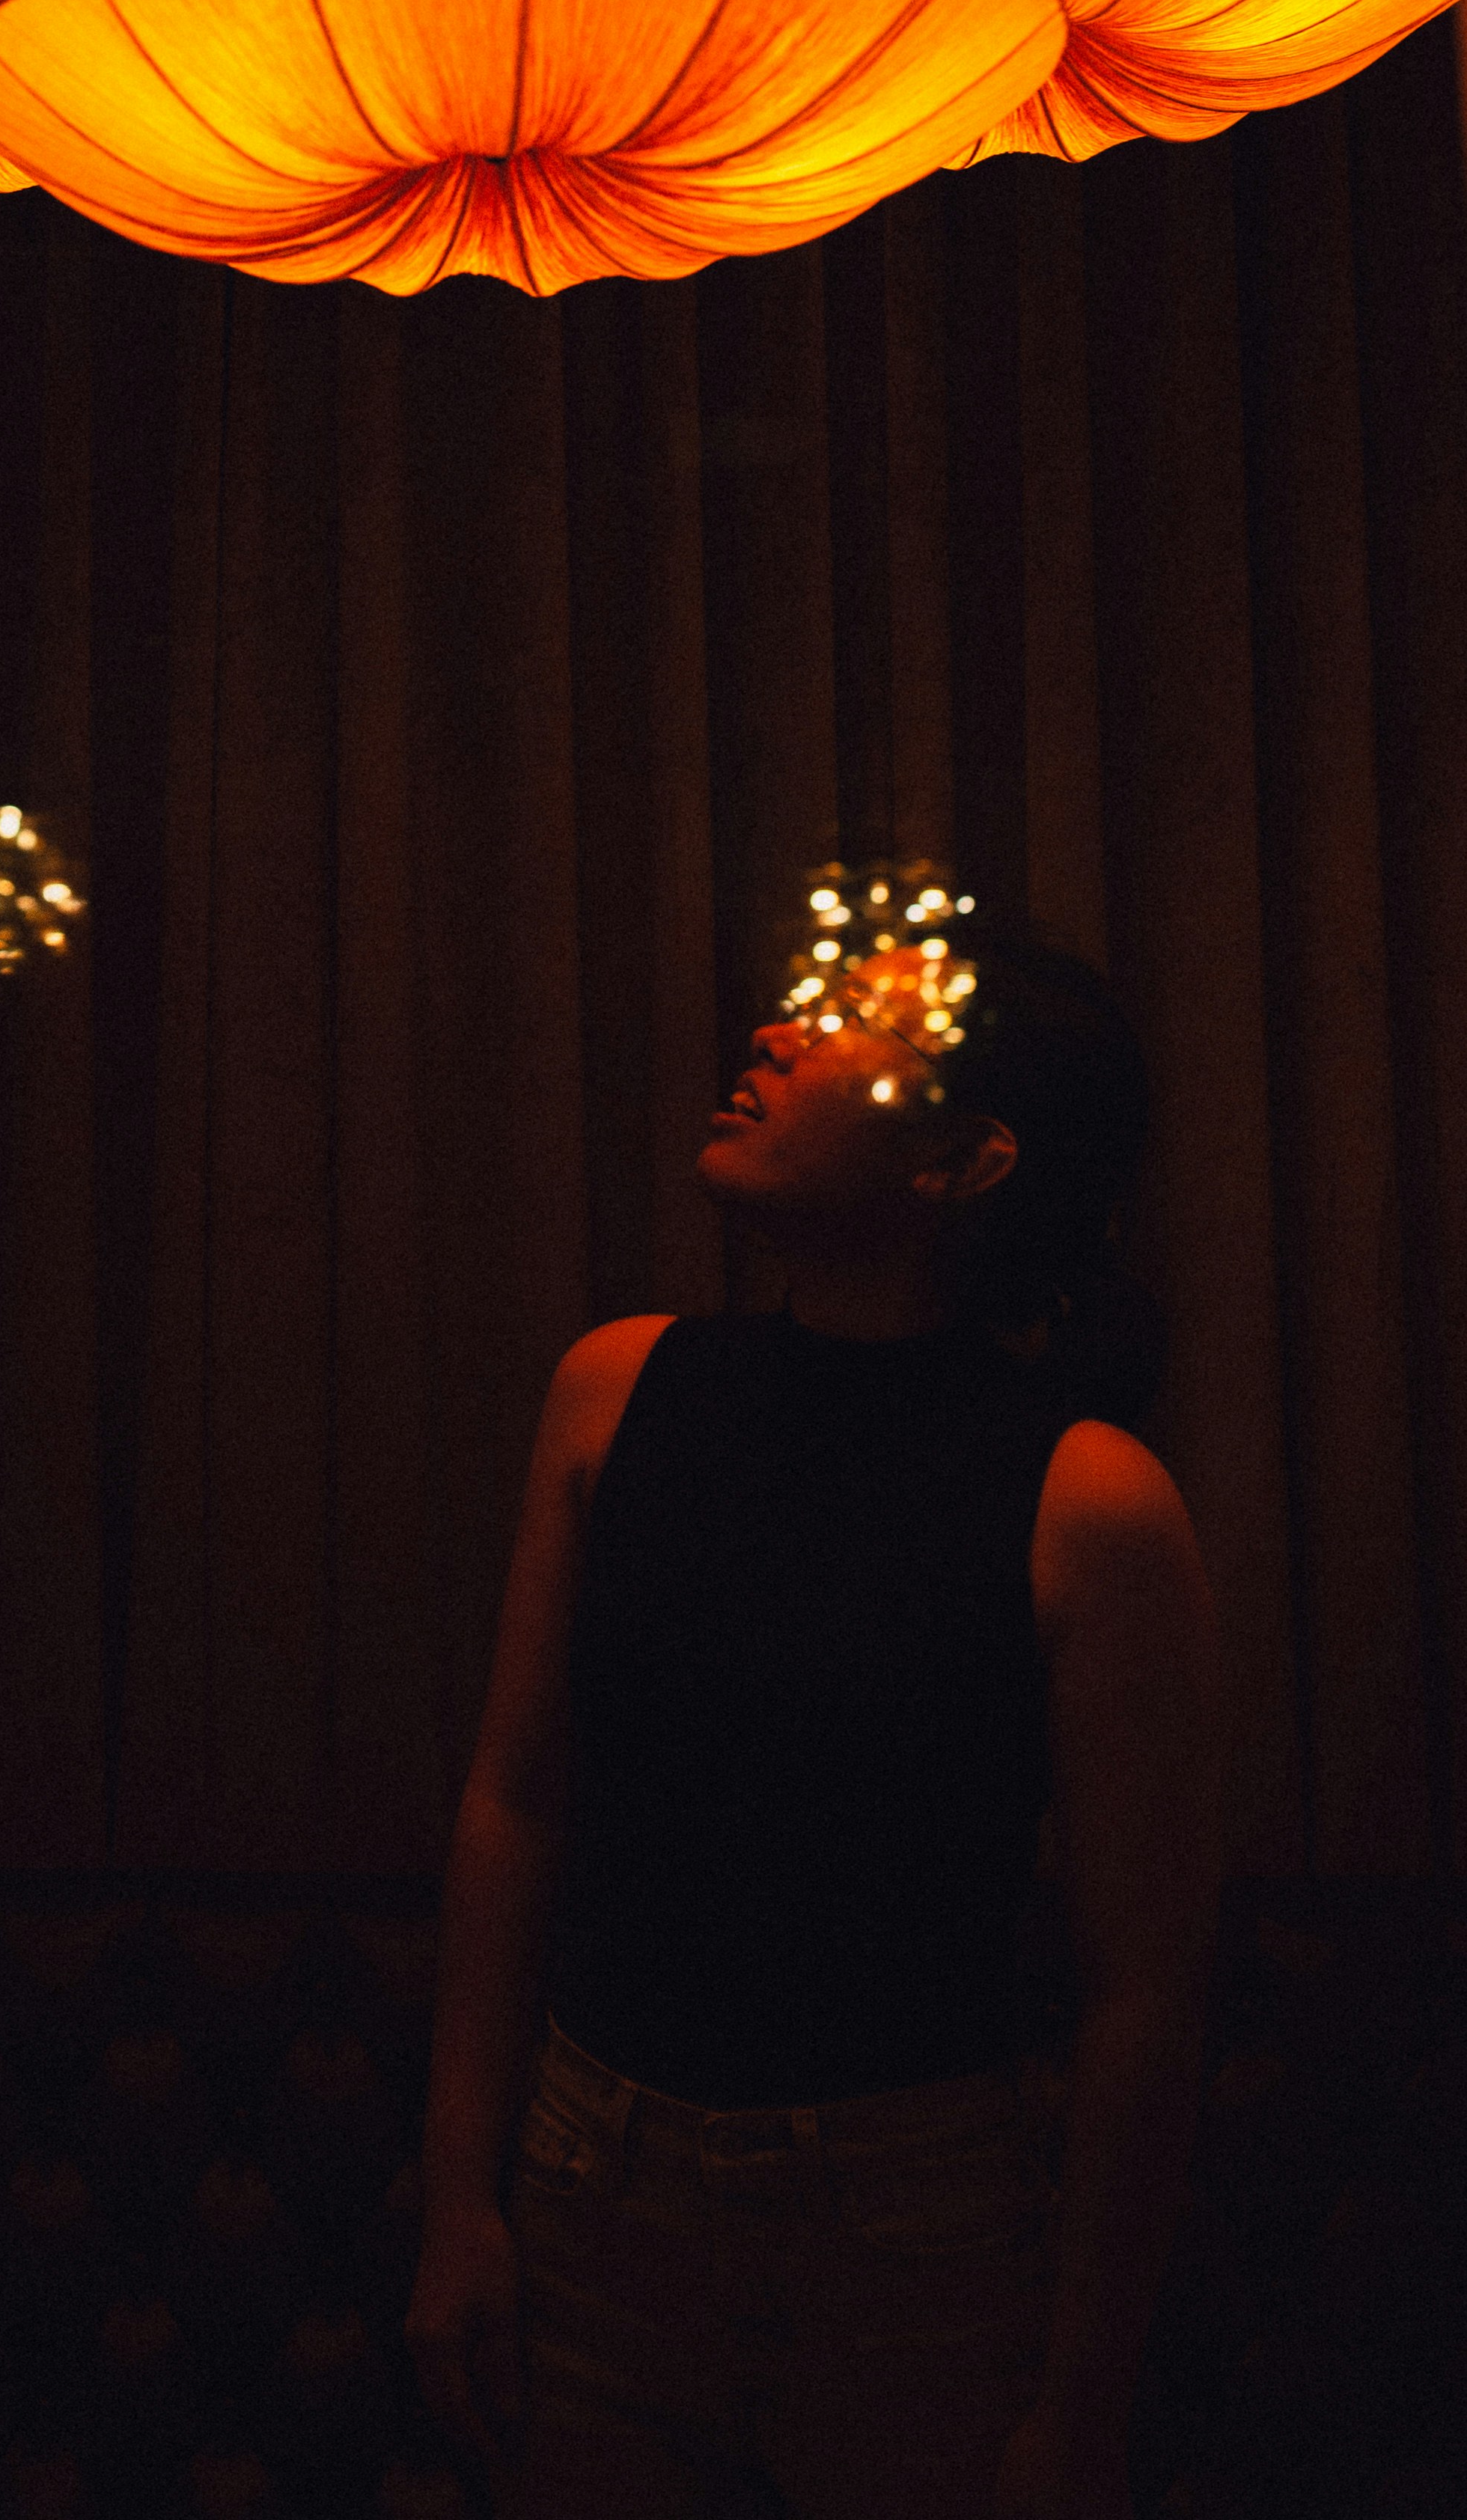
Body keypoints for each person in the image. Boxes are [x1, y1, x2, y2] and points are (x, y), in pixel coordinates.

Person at [407, 912, 1222, 2520]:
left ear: (965, 1161)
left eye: (852, 1026)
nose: (775, 1033)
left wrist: (1080, 2406)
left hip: (916, 2236)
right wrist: (456, 2196)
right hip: (596, 2184)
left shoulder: (1088, 1500)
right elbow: (515, 1800)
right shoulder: (616, 1388)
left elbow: (1143, 1992)